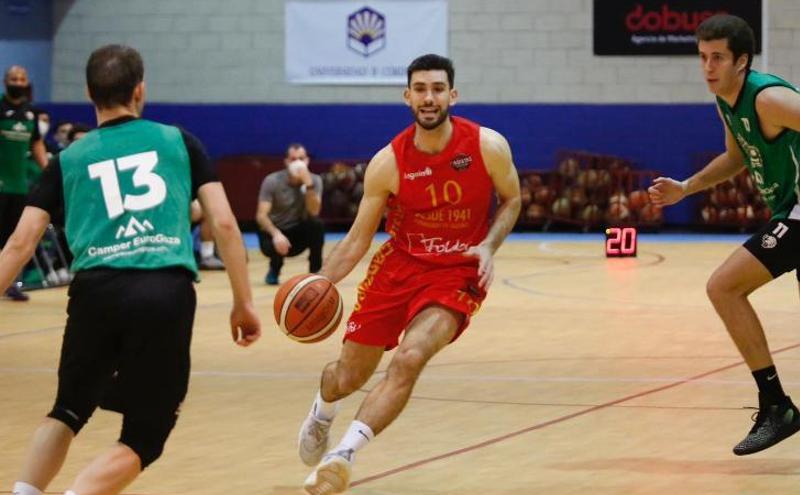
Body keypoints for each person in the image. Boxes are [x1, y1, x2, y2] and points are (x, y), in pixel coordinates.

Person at [1, 44, 260, 495]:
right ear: (140, 90)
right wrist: (243, 303)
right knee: (145, 435)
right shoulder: (179, 140)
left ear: (88, 93)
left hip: (94, 290)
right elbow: (223, 224)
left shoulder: (68, 159)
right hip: (164, 290)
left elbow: (20, 244)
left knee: (67, 409)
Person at [649, 14, 800, 462]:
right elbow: (737, 156)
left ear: (742, 61)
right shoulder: (725, 100)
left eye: (718, 58)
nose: (708, 67)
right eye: (702, 58)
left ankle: (777, 406)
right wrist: (686, 187)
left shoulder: (770, 98)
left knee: (723, 287)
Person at [297, 54, 521, 494]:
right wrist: (317, 283)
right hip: (398, 270)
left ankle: (342, 456)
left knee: (410, 357)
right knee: (348, 377)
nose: (429, 97)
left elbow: (512, 200)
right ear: (407, 96)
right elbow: (359, 240)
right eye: (420, 89)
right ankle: (322, 411)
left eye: (438, 88)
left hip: (457, 273)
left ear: (452, 95)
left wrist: (489, 246)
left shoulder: (487, 146)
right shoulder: (389, 162)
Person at [1, 65, 48, 301]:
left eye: (21, 79)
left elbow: (36, 144)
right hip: (1, 183)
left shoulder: (31, 113)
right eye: (13, 79)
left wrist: (48, 170)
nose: (18, 82)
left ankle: (9, 283)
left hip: (19, 186)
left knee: (13, 237)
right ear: (4, 81)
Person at [255, 143, 324, 284]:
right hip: (273, 233)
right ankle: (274, 269)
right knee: (273, 236)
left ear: (307, 161)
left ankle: (315, 272)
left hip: (297, 233)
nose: (298, 163)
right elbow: (261, 215)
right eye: (293, 159)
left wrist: (308, 185)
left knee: (317, 225)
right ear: (286, 162)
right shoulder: (272, 181)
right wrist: (276, 234)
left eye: (301, 158)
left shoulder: (315, 181)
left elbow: (314, 212)